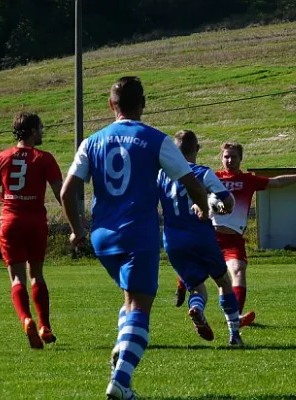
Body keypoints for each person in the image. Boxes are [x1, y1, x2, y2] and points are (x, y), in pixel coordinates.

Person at [60, 77, 209, 400]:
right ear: (143, 103)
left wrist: (77, 228)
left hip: (102, 237)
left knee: (129, 300)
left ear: (111, 105)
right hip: (137, 235)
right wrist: (204, 210)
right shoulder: (156, 140)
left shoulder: (91, 142)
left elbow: (67, 191)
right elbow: (191, 182)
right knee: (141, 306)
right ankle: (121, 379)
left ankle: (121, 349)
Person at [176, 141, 296, 327]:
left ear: (240, 159)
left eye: (233, 157)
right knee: (196, 271)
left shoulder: (248, 180)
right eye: (226, 156)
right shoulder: (212, 176)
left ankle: (236, 316)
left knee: (238, 271)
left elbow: (277, 182)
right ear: (221, 158)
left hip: (233, 239)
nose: (229, 160)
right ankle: (181, 283)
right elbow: (190, 189)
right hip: (210, 234)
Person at [158, 130, 243, 346]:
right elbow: (228, 201)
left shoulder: (161, 175)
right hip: (200, 236)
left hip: (172, 240)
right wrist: (218, 207)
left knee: (197, 288)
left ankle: (196, 308)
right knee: (223, 282)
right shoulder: (203, 173)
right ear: (197, 149)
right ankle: (234, 335)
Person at [0, 112, 62, 350]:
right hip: (35, 222)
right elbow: (61, 193)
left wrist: (12, 197)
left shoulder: (1, 157)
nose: (42, 132)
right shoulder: (44, 158)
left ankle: (26, 319)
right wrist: (76, 219)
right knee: (36, 275)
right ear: (31, 131)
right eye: (40, 128)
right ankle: (44, 326)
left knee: (17, 278)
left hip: (10, 221)